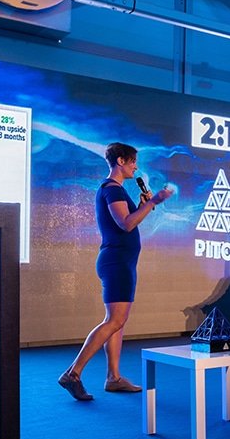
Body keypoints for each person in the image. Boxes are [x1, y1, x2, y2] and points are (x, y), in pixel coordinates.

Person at [59, 142, 173, 401]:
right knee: (114, 321)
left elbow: (130, 221)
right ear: (120, 161)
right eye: (133, 162)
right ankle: (73, 373)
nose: (136, 167)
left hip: (121, 261)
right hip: (117, 262)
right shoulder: (112, 189)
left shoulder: (116, 190)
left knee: (117, 322)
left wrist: (144, 205)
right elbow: (126, 224)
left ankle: (114, 377)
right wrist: (153, 201)